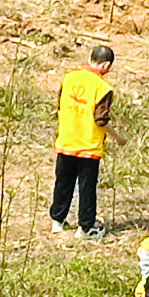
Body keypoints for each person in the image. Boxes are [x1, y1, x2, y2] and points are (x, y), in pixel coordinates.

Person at [48, 44, 116, 239]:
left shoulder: (69, 78)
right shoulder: (103, 87)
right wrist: (118, 137)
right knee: (87, 188)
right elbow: (101, 119)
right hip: (88, 144)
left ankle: (57, 220)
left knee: (63, 183)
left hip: (66, 140)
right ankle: (85, 227)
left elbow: (59, 104)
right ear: (106, 65)